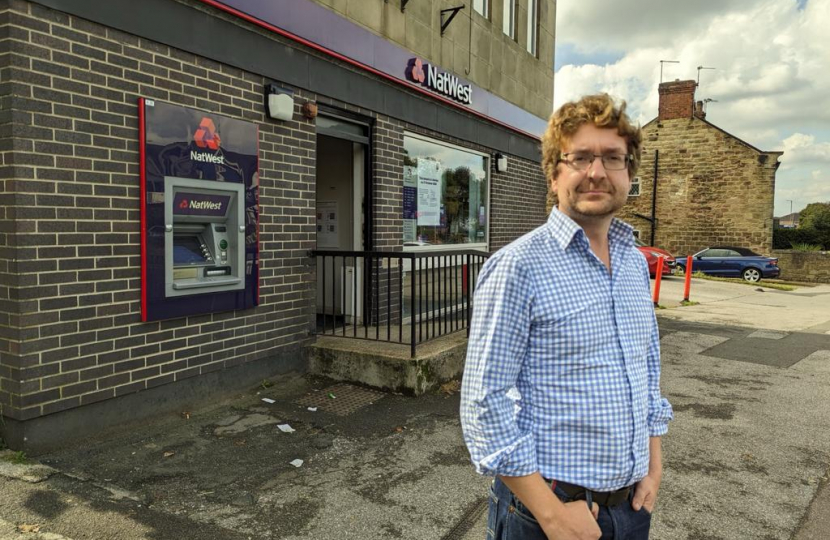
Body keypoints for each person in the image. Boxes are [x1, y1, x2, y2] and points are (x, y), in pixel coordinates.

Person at [460, 94, 673, 540]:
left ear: (629, 174)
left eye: (613, 158)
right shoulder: (518, 267)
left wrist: (653, 468)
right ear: (555, 172)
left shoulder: (634, 263)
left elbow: (646, 370)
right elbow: (484, 404)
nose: (596, 171)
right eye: (580, 158)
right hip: (544, 515)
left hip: (632, 507)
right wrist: (553, 516)